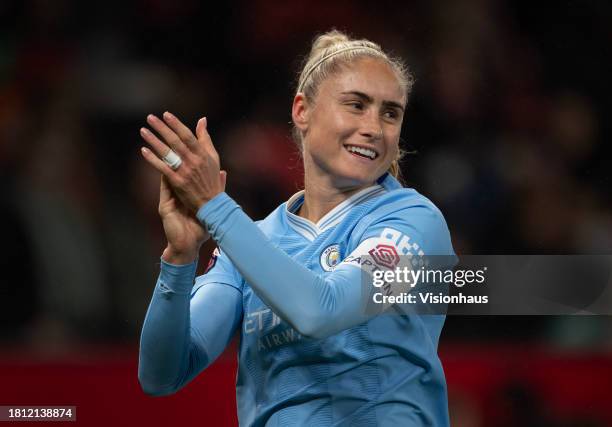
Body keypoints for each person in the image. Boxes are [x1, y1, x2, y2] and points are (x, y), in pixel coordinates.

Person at [138, 30, 455, 426]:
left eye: (390, 113)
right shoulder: (253, 243)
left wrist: (216, 209)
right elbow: (161, 374)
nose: (374, 126)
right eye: (356, 105)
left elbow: (321, 311)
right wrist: (180, 259)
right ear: (302, 110)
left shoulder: (414, 222)